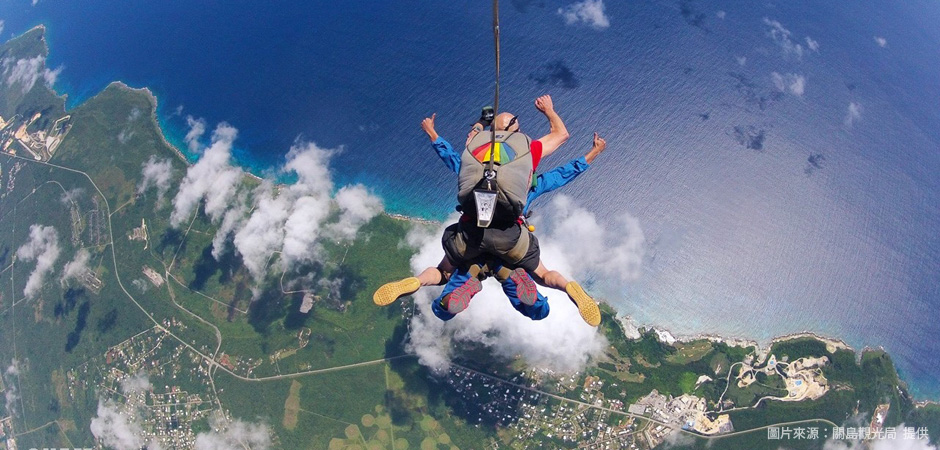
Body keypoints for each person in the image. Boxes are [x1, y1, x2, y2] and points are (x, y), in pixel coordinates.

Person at [375, 97, 605, 326]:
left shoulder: (474, 157)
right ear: (514, 129)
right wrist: (552, 114)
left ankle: (418, 281)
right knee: (542, 285)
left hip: (469, 237)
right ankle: (563, 285)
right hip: (511, 241)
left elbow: (454, 156)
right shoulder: (529, 166)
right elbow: (561, 160)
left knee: (443, 279)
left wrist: (435, 134)